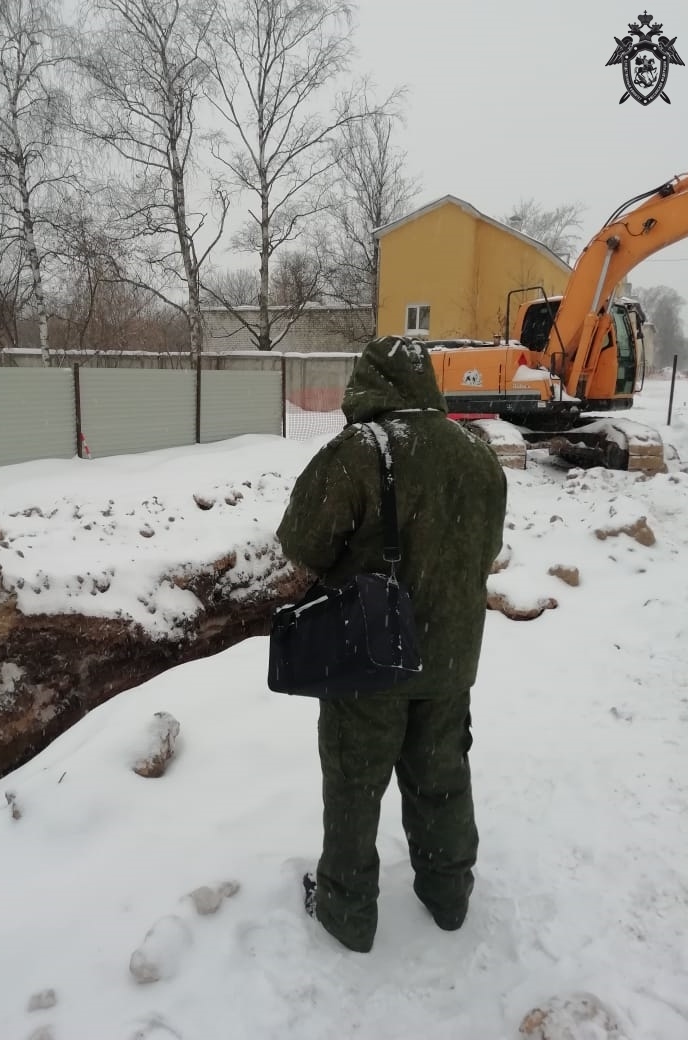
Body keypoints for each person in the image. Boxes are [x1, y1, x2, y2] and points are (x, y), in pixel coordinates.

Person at [276, 335, 507, 953]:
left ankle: (347, 914)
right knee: (443, 777)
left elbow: (303, 541)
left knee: (355, 783)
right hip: (453, 657)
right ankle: (449, 894)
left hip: (371, 656)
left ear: (367, 383)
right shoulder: (477, 453)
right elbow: (484, 551)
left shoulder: (358, 451)